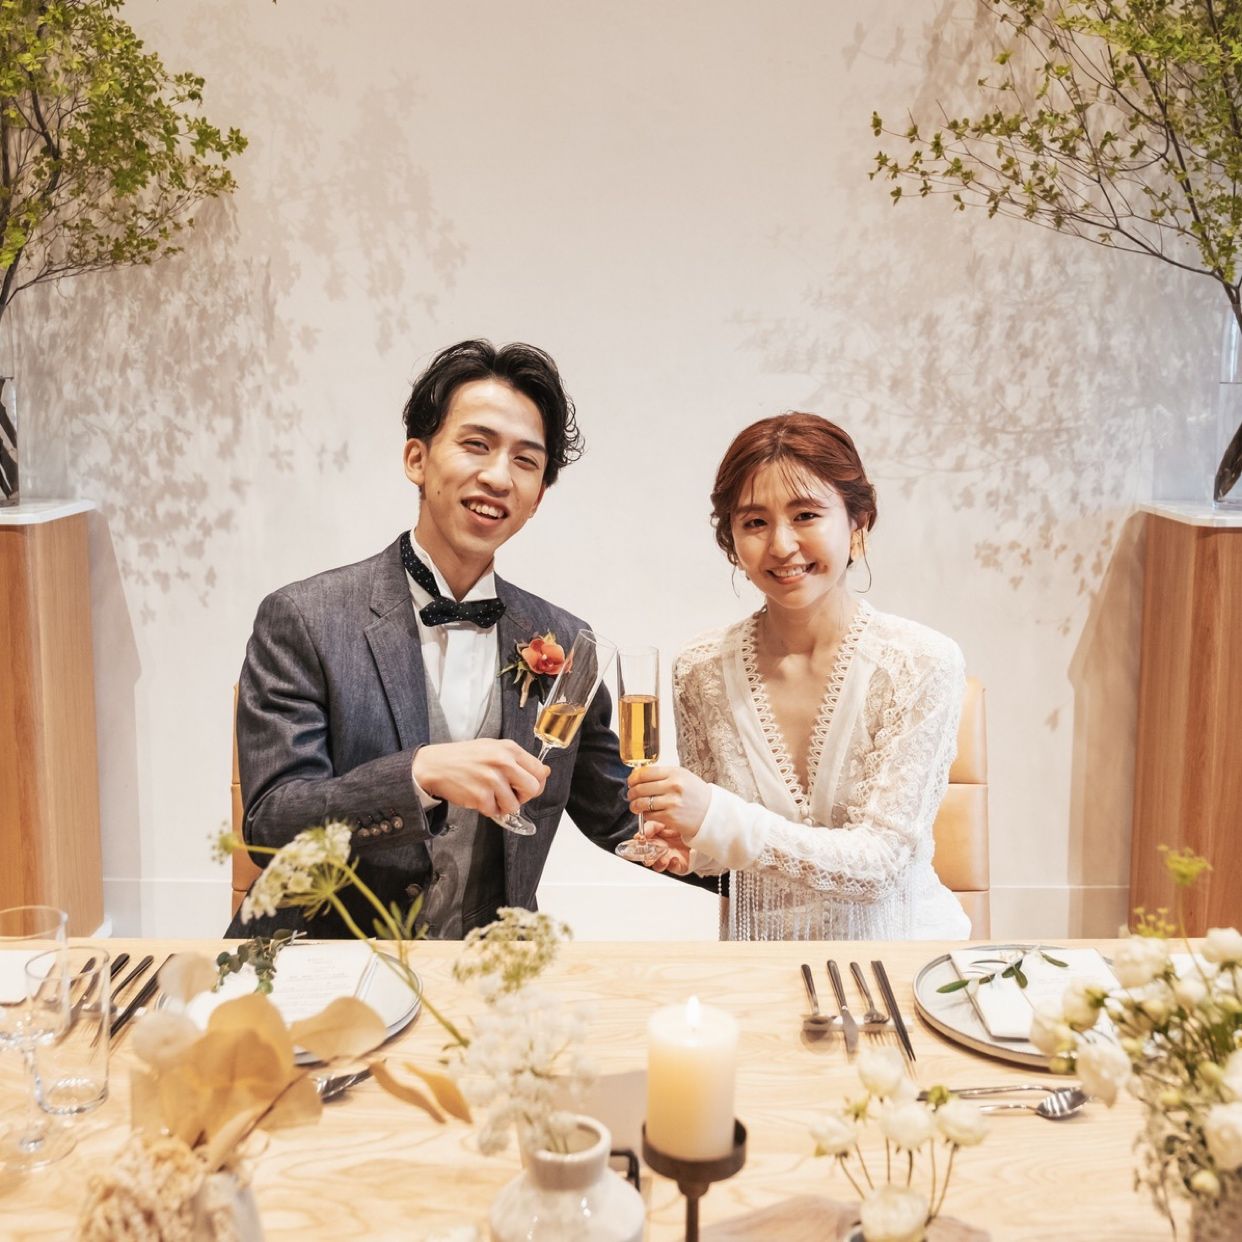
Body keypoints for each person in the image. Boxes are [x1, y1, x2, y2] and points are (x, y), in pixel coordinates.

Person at [226, 339, 649, 939]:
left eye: (525, 461)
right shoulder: (303, 618)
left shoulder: (562, 642)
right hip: (323, 961)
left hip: (485, 965)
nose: (498, 476)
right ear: (416, 459)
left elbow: (623, 817)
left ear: (538, 497)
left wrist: (755, 843)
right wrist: (418, 775)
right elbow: (272, 825)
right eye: (476, 444)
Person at [627, 413, 972, 941]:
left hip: (899, 961)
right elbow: (725, 847)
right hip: (760, 960)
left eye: (806, 515)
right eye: (755, 522)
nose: (782, 545)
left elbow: (881, 865)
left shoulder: (922, 662)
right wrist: (692, 846)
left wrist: (716, 820)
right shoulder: (699, 669)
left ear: (858, 526)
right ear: (732, 542)